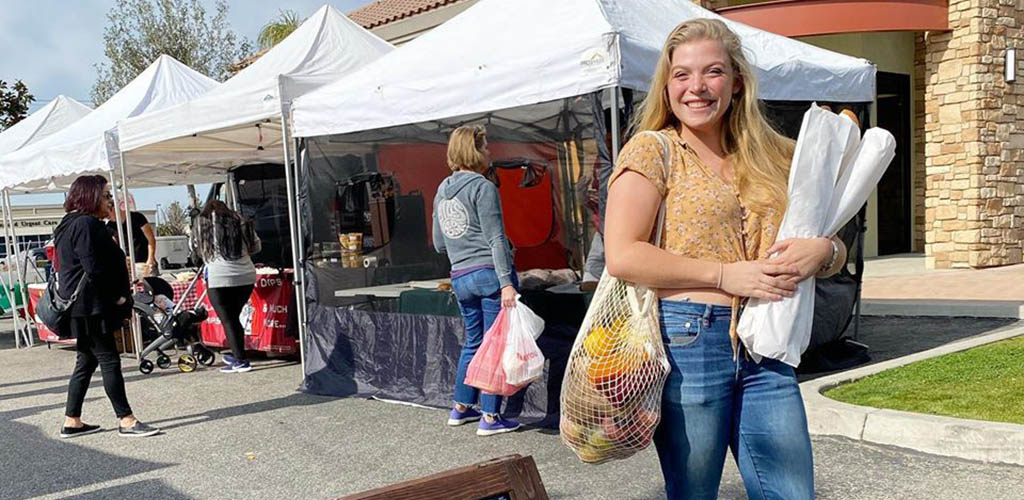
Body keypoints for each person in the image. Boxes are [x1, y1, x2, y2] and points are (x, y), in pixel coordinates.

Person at [604, 19, 848, 500]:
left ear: (736, 82)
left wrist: (825, 251)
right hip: (691, 338)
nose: (696, 87)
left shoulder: (777, 154)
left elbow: (831, 238)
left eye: (712, 72)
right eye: (682, 75)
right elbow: (623, 255)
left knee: (791, 491)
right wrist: (726, 275)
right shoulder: (654, 151)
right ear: (667, 85)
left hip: (768, 340)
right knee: (694, 491)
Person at [432, 125, 522, 436]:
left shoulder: (441, 191)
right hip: (488, 274)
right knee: (494, 345)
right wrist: (506, 282)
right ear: (473, 151)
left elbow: (438, 243)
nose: (490, 152)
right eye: (485, 148)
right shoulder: (482, 187)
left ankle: (459, 408)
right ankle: (490, 417)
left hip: (459, 276)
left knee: (473, 342)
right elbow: (496, 239)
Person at [56, 175, 160, 438]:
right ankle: (126, 419)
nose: (109, 200)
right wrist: (117, 297)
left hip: (83, 307)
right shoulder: (85, 225)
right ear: (91, 197)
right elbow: (94, 269)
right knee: (109, 360)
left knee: (86, 361)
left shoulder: (68, 224)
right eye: (105, 195)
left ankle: (72, 420)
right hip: (93, 306)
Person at [192, 199, 260, 374]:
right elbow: (256, 246)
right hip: (246, 275)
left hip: (219, 277)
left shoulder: (201, 224)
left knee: (228, 320)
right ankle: (238, 353)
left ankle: (240, 361)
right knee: (233, 317)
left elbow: (195, 251)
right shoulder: (241, 220)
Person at [106, 192, 157, 277]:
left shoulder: (137, 217)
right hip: (128, 266)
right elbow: (114, 247)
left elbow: (151, 239)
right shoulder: (110, 226)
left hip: (144, 262)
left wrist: (150, 258)